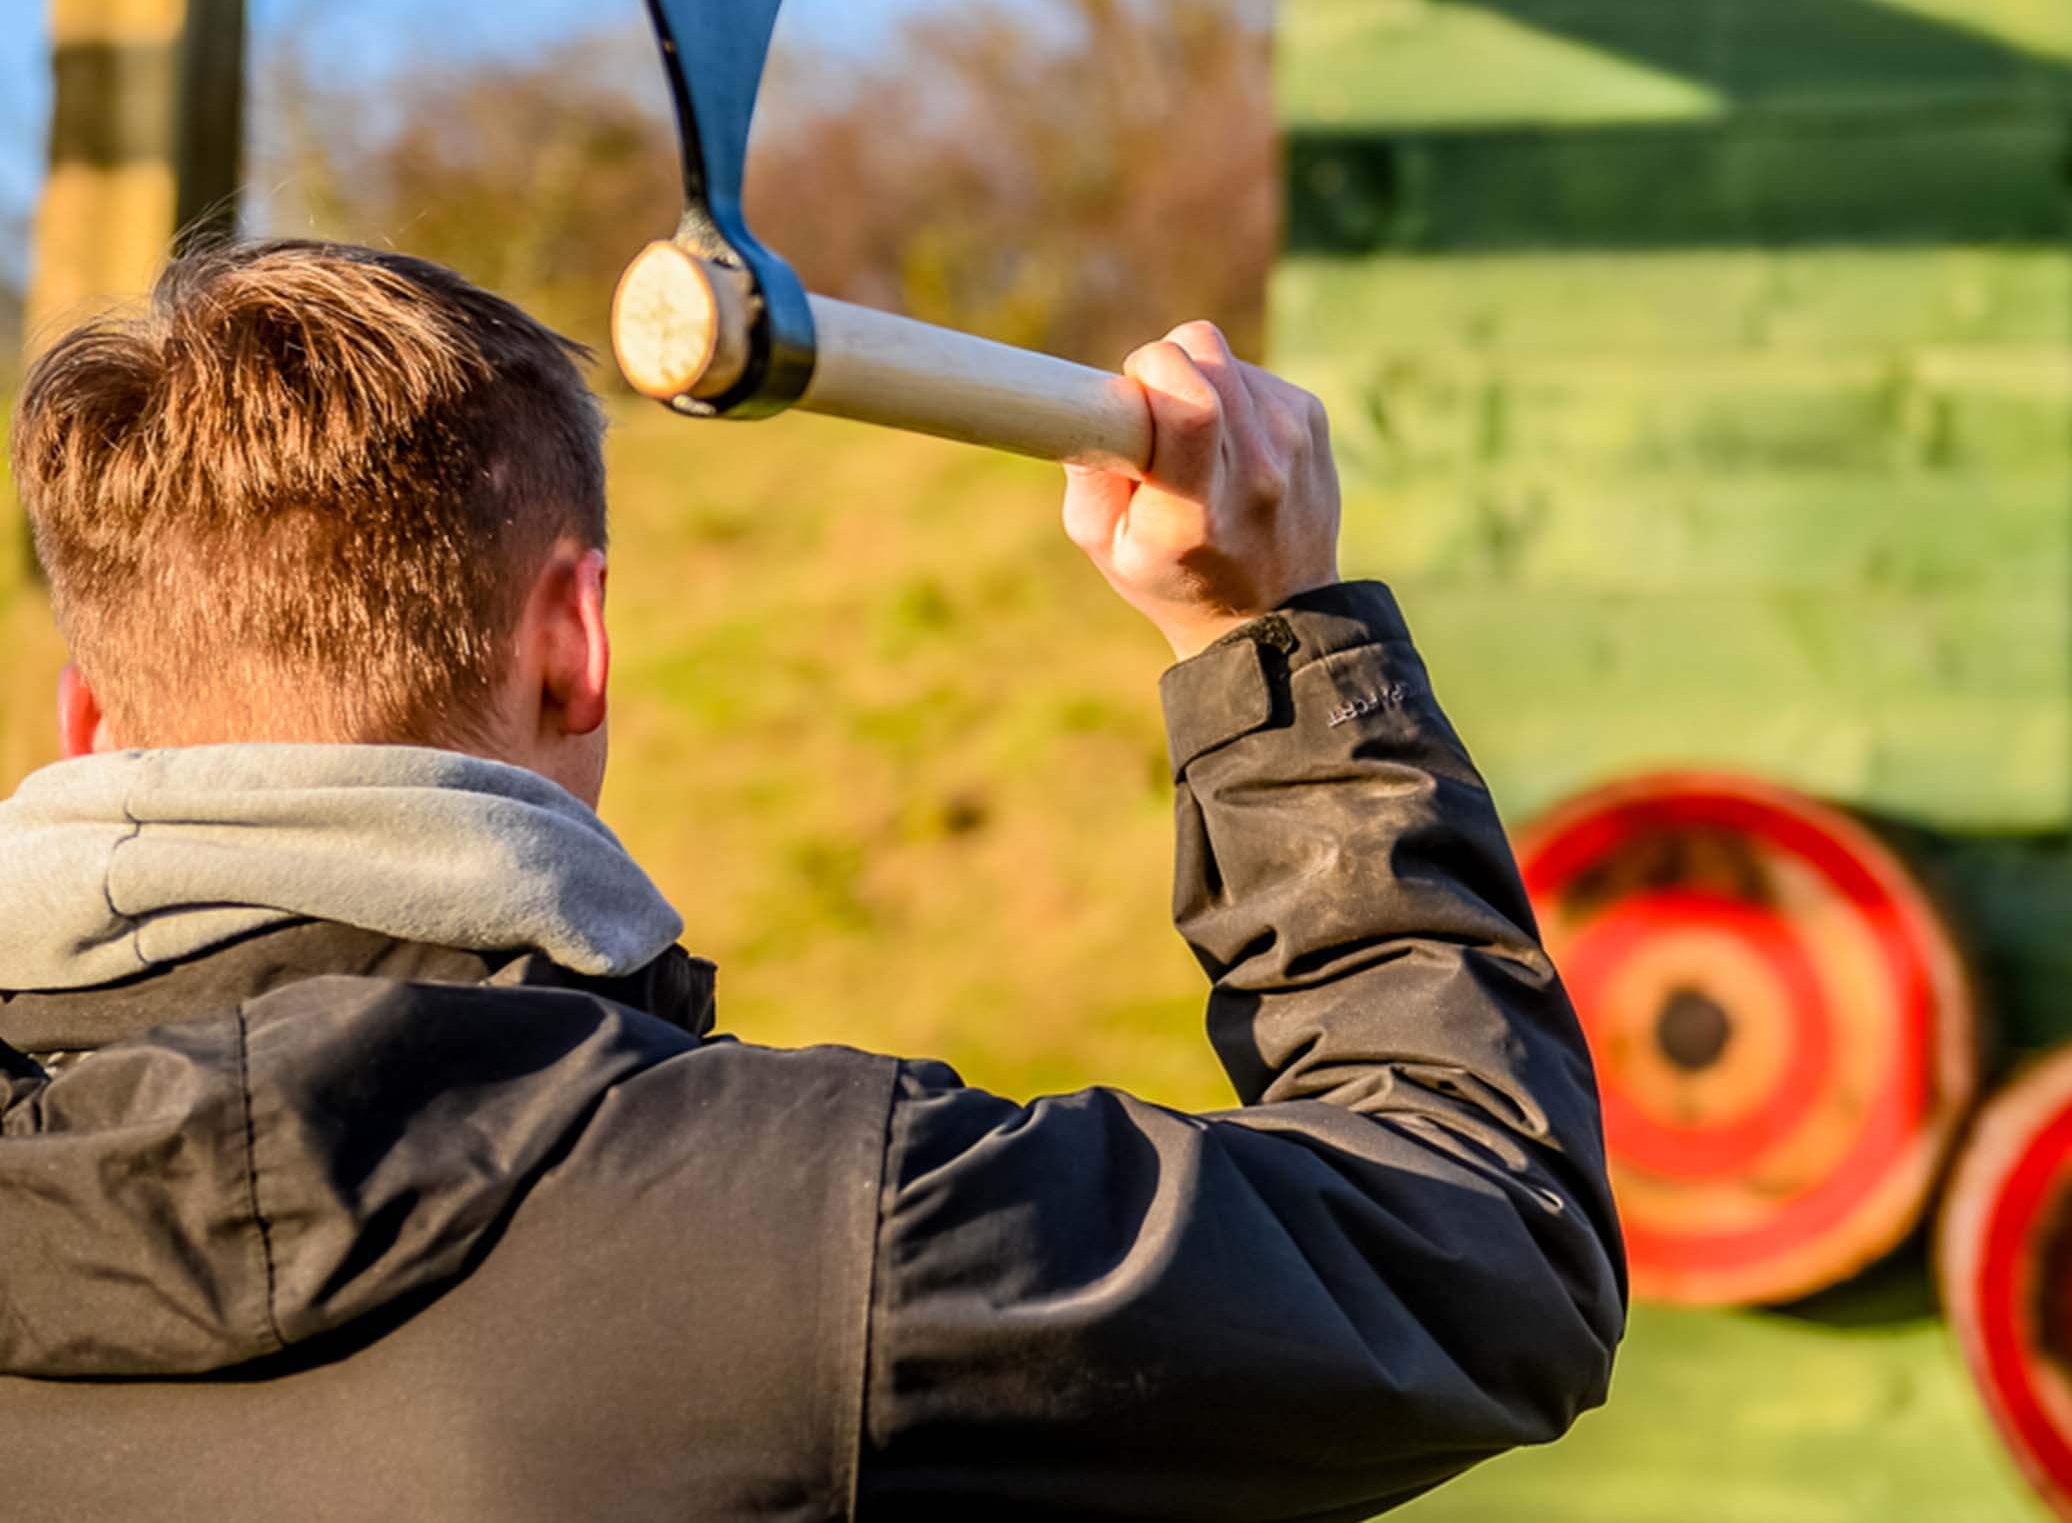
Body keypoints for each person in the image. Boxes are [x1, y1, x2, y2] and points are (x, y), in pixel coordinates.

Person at [0, 239, 1625, 1521]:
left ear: (89, 720)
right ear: (576, 641)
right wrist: (1268, 643)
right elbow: (1478, 1248)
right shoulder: (812, 1228)